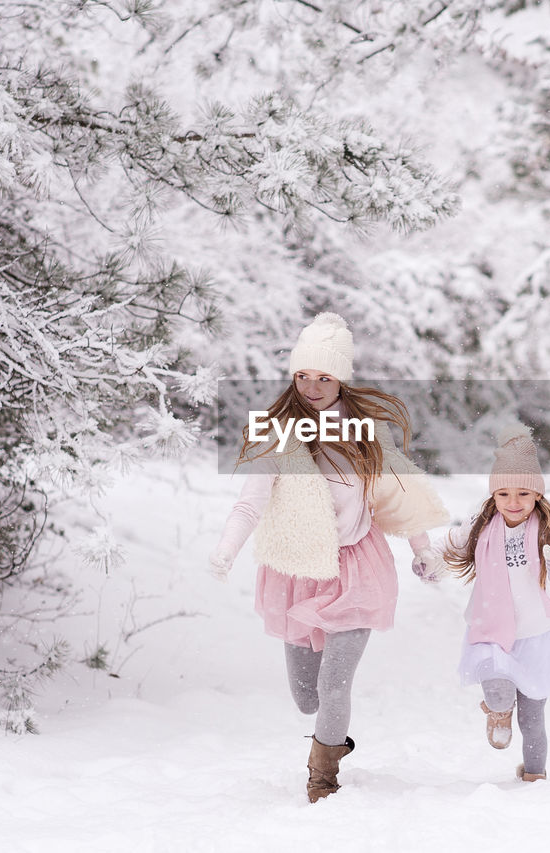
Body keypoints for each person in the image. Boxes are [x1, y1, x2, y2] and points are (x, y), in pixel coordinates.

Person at [208, 312, 448, 803]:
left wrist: (423, 551)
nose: (313, 386)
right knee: (307, 698)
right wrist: (226, 549)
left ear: (340, 378)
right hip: (298, 571)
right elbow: (249, 502)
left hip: (356, 569)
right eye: (303, 375)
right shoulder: (275, 433)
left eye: (324, 376)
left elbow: (396, 494)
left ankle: (322, 777)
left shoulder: (364, 432)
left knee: (335, 687)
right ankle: (333, 740)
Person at [425, 423, 550, 783]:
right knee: (498, 692)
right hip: (490, 631)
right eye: (504, 494)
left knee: (533, 719)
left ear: (537, 496)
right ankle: (497, 710)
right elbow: (449, 545)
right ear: (493, 495)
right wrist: (428, 560)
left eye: (524, 494)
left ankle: (534, 776)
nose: (514, 503)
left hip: (535, 636)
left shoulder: (547, 533)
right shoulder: (482, 525)